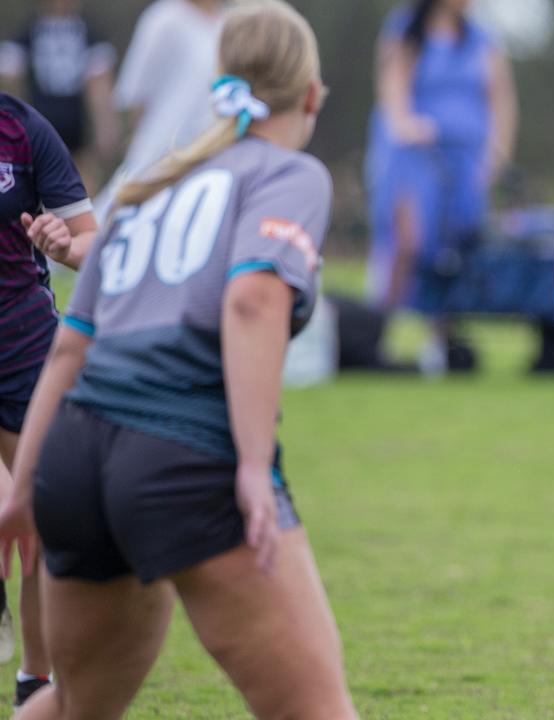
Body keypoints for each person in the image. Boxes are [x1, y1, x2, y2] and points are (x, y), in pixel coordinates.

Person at [0, 3, 357, 717]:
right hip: (181, 457)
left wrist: (22, 488)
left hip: (74, 457)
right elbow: (252, 303)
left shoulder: (145, 187)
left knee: (76, 704)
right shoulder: (289, 173)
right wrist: (253, 467)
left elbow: (71, 343)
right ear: (311, 94)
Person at [0, 90, 98, 706]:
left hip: (23, 343)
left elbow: (94, 241)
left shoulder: (22, 130)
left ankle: (34, 680)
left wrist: (64, 244)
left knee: (36, 511)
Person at [365, 0, 517, 374]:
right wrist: (406, 124)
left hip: (464, 161)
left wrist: (496, 154)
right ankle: (379, 334)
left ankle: (440, 343)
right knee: (408, 242)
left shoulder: (481, 38)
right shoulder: (406, 28)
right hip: (415, 155)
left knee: (450, 251)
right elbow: (392, 88)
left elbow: (500, 98)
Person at [96, 0, 225, 220]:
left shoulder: (230, 24)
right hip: (160, 157)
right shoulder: (163, 19)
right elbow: (137, 98)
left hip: (215, 158)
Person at [0, 0, 120, 192]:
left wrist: (106, 128)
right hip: (39, 126)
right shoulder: (30, 31)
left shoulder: (88, 31)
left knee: (81, 184)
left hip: (76, 130)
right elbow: (11, 78)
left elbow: (99, 85)